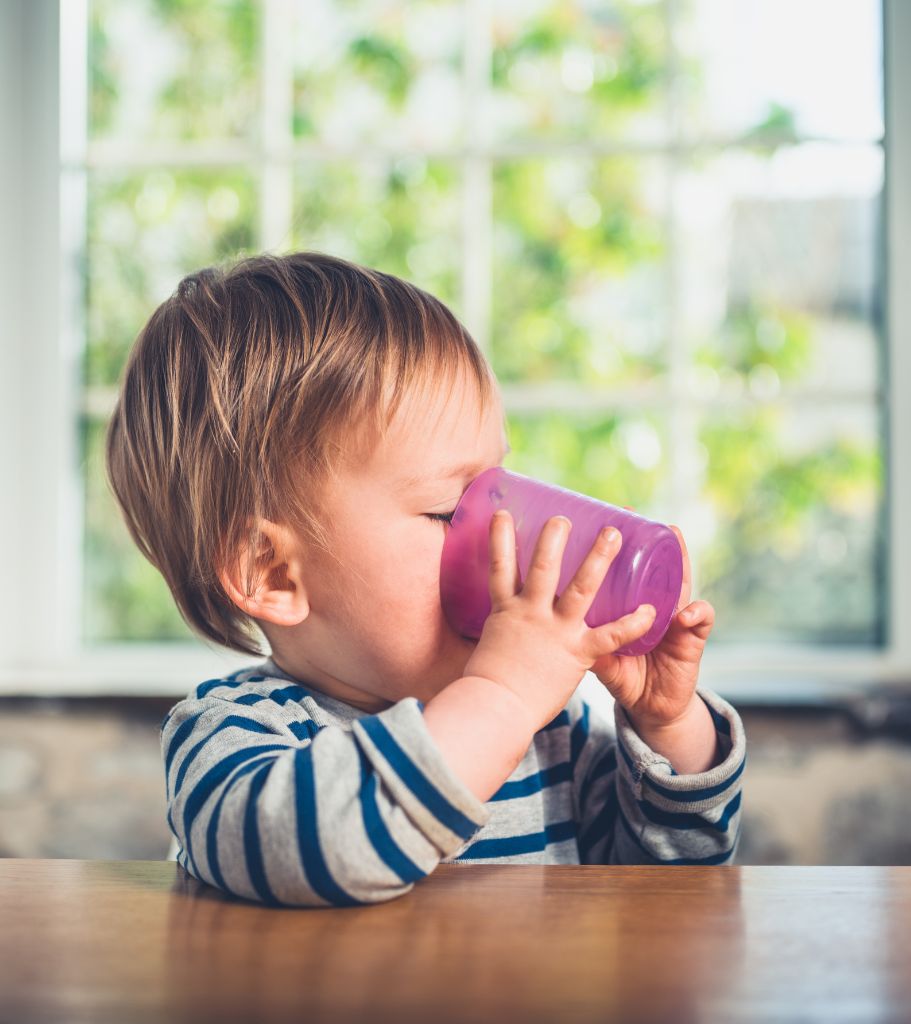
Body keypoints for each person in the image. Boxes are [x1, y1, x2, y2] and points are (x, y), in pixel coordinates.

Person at [105, 250, 746, 907]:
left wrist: (669, 727)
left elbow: (676, 880)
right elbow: (326, 855)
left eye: (498, 491)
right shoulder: (232, 739)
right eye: (449, 511)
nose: (500, 538)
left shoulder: (556, 735)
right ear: (272, 573)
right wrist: (502, 696)